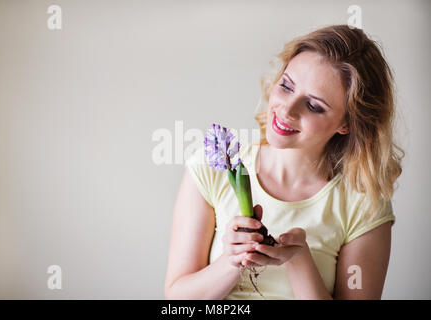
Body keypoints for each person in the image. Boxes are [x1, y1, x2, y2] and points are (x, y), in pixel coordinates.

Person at [164, 24, 404, 300]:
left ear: (347, 124)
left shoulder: (364, 203)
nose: (287, 110)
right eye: (286, 86)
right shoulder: (212, 168)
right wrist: (231, 261)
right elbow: (176, 300)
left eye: (314, 106)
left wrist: (299, 260)